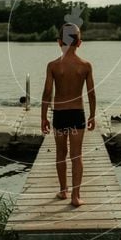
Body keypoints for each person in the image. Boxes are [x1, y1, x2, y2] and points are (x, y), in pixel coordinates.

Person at [40, 22, 96, 207]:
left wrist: (43, 117)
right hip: (77, 114)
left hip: (60, 116)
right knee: (77, 156)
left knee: (60, 154)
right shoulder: (85, 65)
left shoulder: (53, 66)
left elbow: (47, 93)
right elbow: (91, 93)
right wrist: (92, 115)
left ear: (59, 42)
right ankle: (76, 196)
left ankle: (64, 190)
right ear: (79, 43)